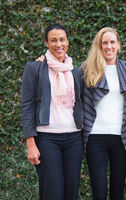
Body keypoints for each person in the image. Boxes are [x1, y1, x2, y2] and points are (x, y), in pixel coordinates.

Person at [21, 24, 84, 200]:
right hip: (47, 139)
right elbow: (27, 105)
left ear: (68, 42)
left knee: (71, 192)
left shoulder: (75, 71)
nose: (59, 44)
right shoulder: (35, 68)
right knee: (52, 193)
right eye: (53, 40)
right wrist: (30, 143)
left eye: (62, 39)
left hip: (74, 138)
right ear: (47, 43)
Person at [81, 27, 126, 200]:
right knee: (99, 190)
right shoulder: (87, 69)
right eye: (104, 43)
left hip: (122, 136)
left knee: (118, 190)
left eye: (112, 42)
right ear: (99, 45)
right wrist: (42, 61)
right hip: (95, 136)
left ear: (119, 45)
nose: (108, 46)